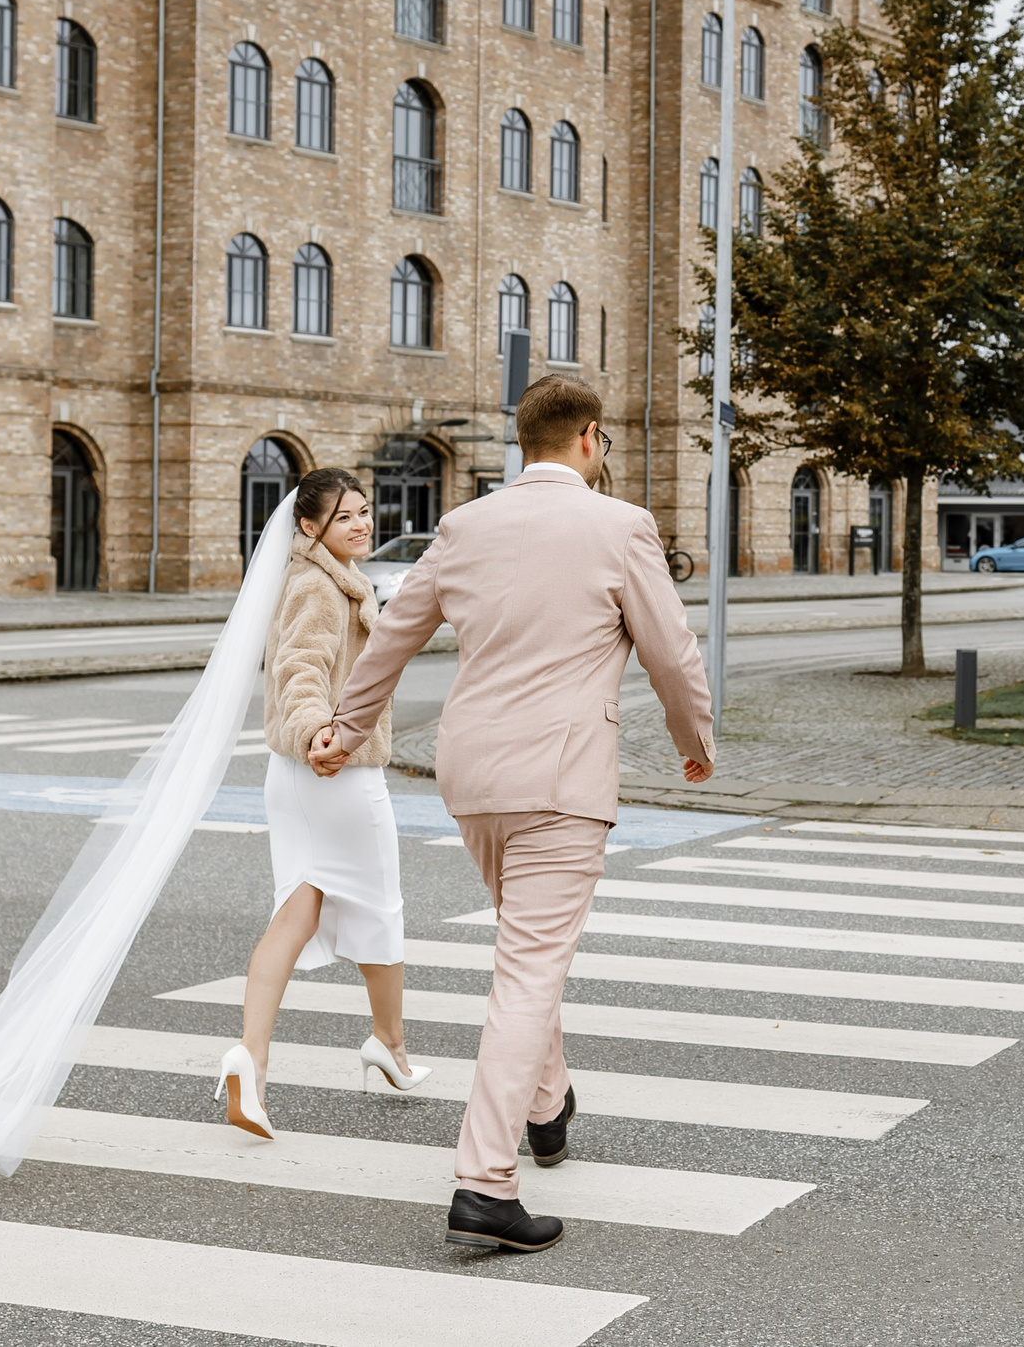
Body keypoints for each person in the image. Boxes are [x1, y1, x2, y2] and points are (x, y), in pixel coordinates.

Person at [313, 376, 714, 1253]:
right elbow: (671, 651)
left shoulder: (465, 525)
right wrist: (697, 738)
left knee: (529, 941)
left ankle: (548, 1104)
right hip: (560, 778)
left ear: (522, 442)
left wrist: (344, 730)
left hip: (472, 775)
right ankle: (485, 1181)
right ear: (591, 439)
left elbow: (392, 634)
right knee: (529, 969)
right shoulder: (621, 526)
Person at [213, 467, 432, 1139]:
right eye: (344, 517)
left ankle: (250, 1060)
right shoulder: (318, 585)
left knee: (297, 910)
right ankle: (389, 1047)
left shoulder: (325, 576)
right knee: (381, 907)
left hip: (297, 775)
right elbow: (298, 670)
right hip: (336, 770)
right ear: (308, 526)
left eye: (365, 511)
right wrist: (319, 732)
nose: (362, 523)